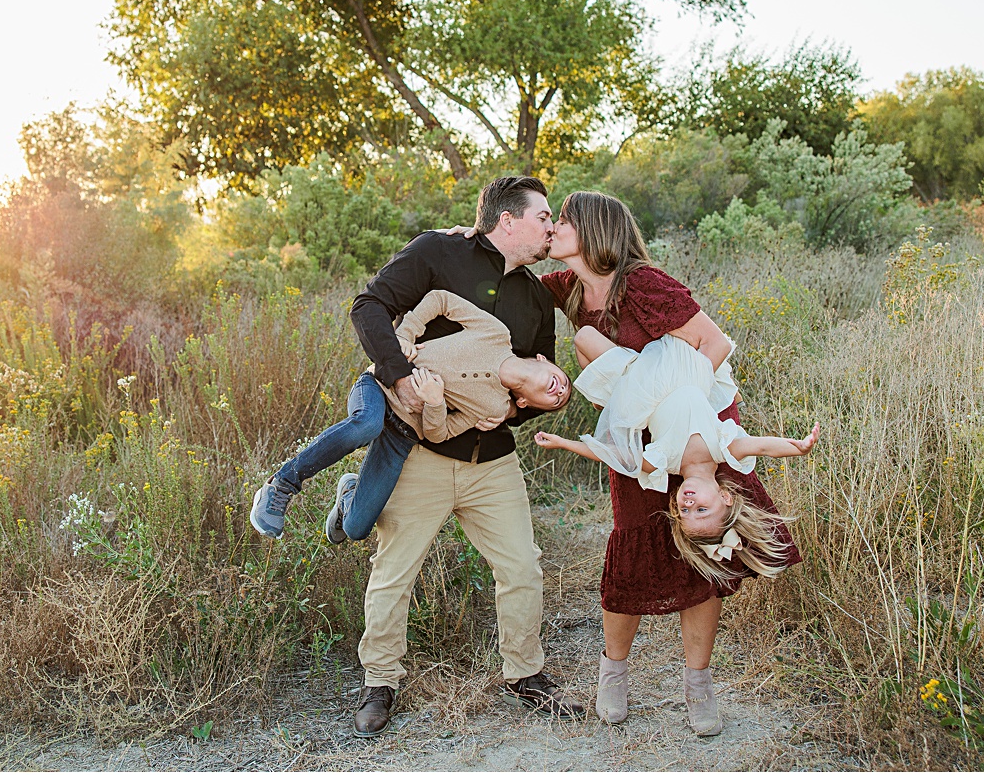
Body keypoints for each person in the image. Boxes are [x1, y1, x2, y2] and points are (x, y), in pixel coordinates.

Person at [445, 190, 802, 733]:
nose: (554, 227)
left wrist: (670, 410)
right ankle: (614, 672)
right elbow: (502, 274)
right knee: (633, 541)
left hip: (698, 425)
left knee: (700, 558)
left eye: (563, 220)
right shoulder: (565, 287)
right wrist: (467, 240)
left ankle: (697, 683)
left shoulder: (644, 284)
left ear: (595, 233)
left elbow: (714, 344)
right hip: (638, 440)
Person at [345, 176, 586, 738]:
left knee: (522, 566)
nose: (551, 225)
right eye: (544, 215)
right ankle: (380, 682)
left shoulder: (535, 298)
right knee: (393, 571)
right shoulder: (438, 252)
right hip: (422, 452)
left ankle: (525, 675)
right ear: (508, 220)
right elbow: (369, 306)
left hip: (494, 459)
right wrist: (399, 377)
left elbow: (541, 383)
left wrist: (518, 412)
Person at [248, 288, 573, 543]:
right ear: (543, 359)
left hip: (405, 433)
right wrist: (405, 334)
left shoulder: (495, 409)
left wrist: (434, 403)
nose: (560, 392)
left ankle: (349, 495)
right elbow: (441, 299)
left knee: (357, 528)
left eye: (557, 401)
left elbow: (438, 434)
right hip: (379, 385)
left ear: (527, 403)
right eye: (564, 384)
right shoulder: (495, 333)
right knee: (366, 423)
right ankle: (281, 486)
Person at [534, 325, 820, 580]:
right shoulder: (724, 447)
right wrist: (800, 448)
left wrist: (563, 443)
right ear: (725, 496)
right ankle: (605, 399)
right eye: (702, 509)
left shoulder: (662, 462)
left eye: (685, 511)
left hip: (642, 385)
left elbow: (611, 455)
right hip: (687, 370)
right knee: (686, 333)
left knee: (584, 336)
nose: (690, 502)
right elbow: (765, 446)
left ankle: (606, 400)